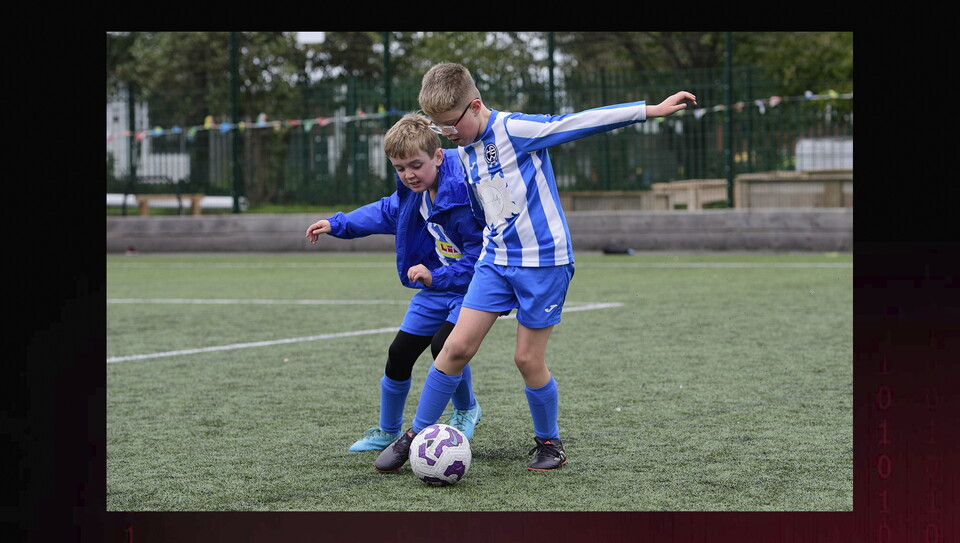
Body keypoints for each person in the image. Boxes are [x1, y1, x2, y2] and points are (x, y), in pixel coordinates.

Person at [375, 62, 697, 472]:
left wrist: (649, 110)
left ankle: (549, 442)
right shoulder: (461, 149)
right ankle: (416, 435)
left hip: (543, 263)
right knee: (455, 347)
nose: (449, 134)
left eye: (451, 124)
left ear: (475, 106)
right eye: (440, 128)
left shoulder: (514, 130)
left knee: (527, 359)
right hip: (496, 261)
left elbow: (578, 122)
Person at [305, 113, 484, 453]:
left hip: (469, 289)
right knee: (399, 353)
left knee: (444, 347)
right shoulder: (410, 194)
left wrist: (436, 276)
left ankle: (466, 410)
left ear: (438, 156)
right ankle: (387, 431)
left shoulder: (462, 197)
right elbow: (382, 212)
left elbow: (480, 260)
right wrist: (336, 223)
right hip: (436, 288)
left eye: (415, 165)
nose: (408, 175)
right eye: (400, 168)